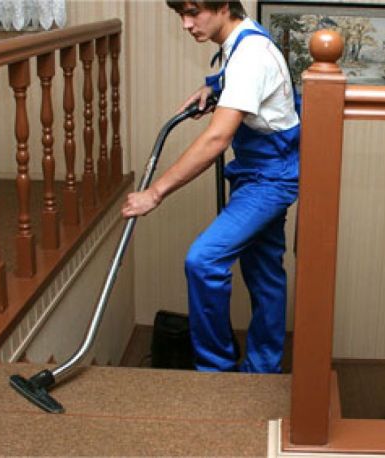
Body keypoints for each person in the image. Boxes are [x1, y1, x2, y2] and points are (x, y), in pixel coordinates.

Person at [121, 0, 300, 374]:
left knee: (203, 261)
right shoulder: (241, 41)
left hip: (268, 178)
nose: (186, 24)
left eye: (193, 12)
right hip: (257, 170)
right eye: (181, 15)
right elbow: (250, 86)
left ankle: (215, 371)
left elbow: (217, 138)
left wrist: (154, 193)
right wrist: (214, 87)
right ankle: (262, 369)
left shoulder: (251, 55)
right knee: (265, 274)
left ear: (223, 6)